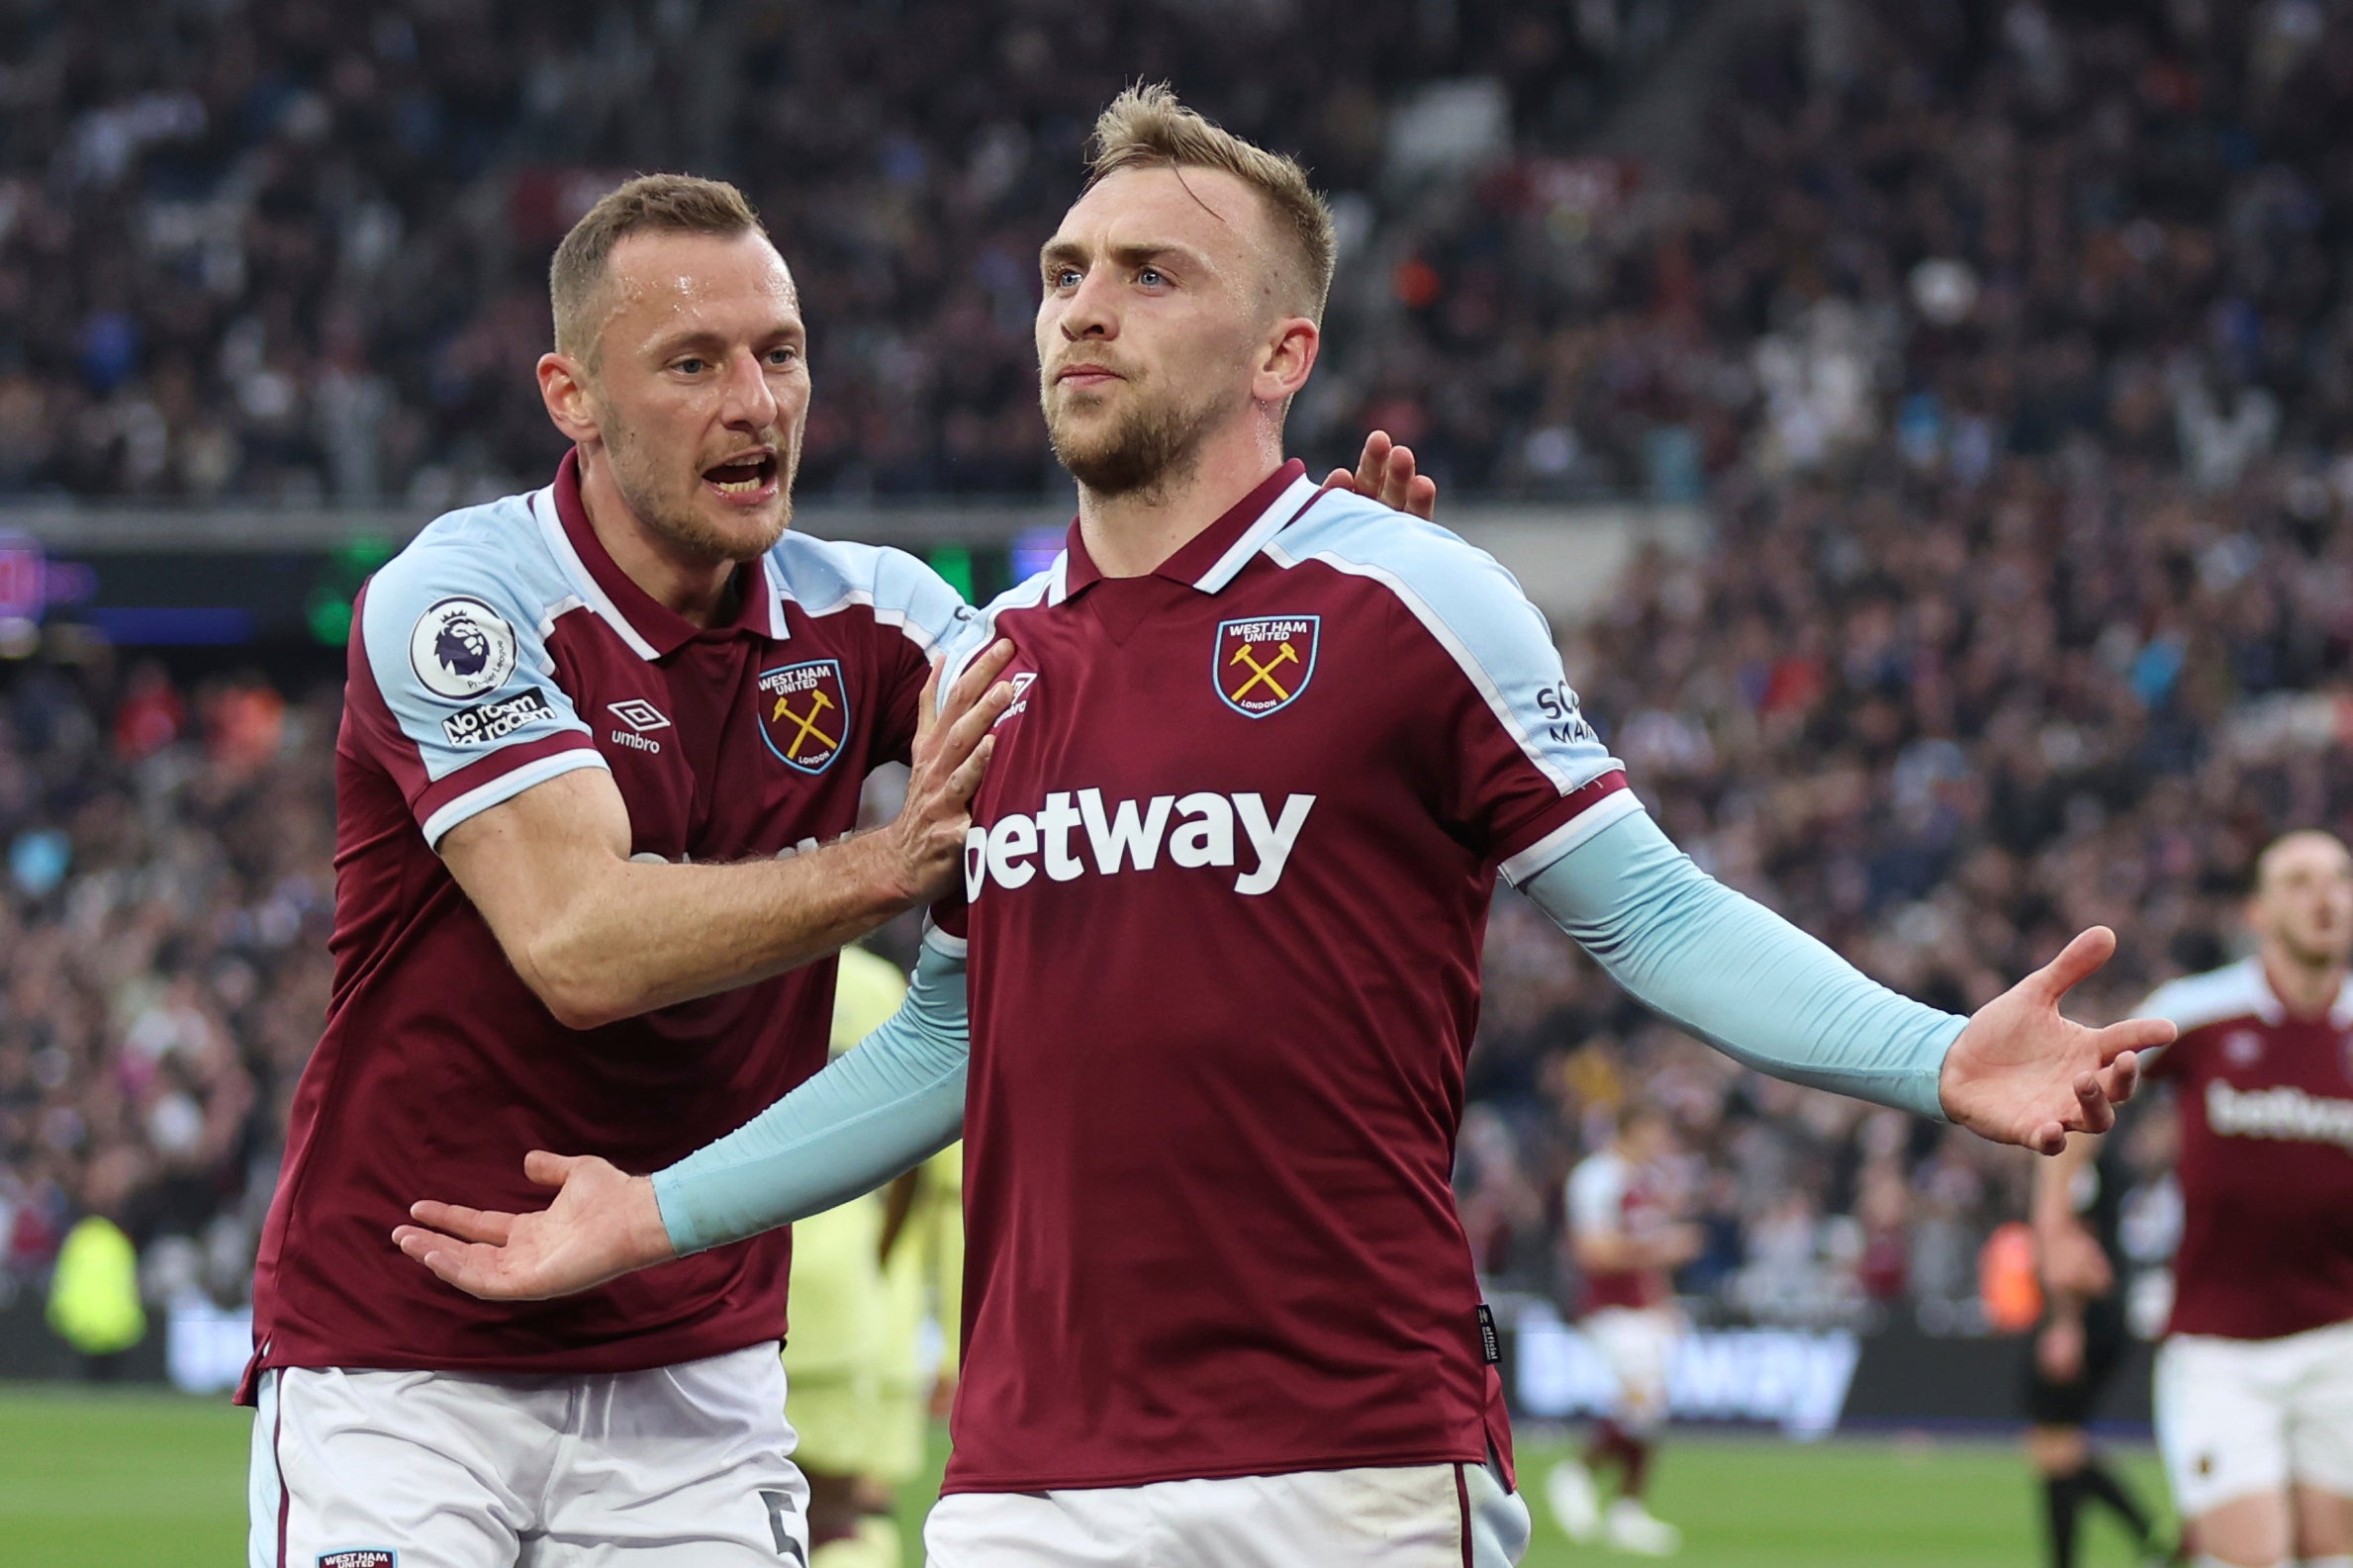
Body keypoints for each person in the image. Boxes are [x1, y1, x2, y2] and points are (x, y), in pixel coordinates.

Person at [394, 86, 2167, 1567]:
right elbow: (949, 1031)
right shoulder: (990, 664)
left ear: (1280, 352)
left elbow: (1648, 914)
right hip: (1023, 1484)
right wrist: (658, 1215)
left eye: (1151, 275)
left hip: (1350, 1463)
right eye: (1064, 271)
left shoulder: (1409, 599)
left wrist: (1929, 1056)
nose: (1083, 309)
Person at [238, 171, 1021, 1568]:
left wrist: (1304, 573)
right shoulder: (460, 601)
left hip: (693, 1380)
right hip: (406, 1355)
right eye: (692, 363)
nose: (756, 403)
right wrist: (891, 862)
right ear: (571, 397)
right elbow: (580, 944)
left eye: (779, 354)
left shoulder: (876, 614)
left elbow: (1111, 731)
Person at [2037, 829, 2353, 1568]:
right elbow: (2080, 1086)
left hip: (2341, 1334)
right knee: (2252, 1554)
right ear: (2258, 910)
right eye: (2300, 880)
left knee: (2331, 1551)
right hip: (2219, 1343)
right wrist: (2055, 1221)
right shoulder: (2200, 1009)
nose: (2325, 896)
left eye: (2339, 877)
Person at [783, 944, 964, 1568]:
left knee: (713, 1510)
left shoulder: (712, 981)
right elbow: (942, 1184)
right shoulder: (883, 990)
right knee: (846, 1517)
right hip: (846, 1304)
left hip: (718, 1296)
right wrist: (966, 1345)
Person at [2022, 1088, 2168, 1568]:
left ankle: (2139, 1539)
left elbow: (2069, 1238)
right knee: (2059, 1446)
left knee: (2056, 1446)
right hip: (2102, 1309)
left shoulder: (2072, 1146)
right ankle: (2149, 1539)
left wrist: (2065, 1323)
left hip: (2085, 1312)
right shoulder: (2103, 1145)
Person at [1546, 1103, 1698, 1556]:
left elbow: (1645, 1260)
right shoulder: (1597, 1179)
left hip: (1644, 1310)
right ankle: (1577, 1475)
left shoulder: (1643, 1181)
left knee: (1650, 1411)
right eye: (1653, 1131)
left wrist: (1663, 1304)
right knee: (1640, 1401)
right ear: (1631, 1130)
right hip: (1609, 1309)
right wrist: (1663, 1248)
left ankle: (1627, 1510)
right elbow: (1593, 1253)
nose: (1659, 1143)